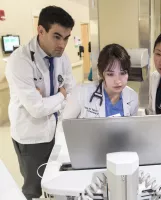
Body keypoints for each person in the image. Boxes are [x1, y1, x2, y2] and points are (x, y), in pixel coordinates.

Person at [5, 6, 75, 199]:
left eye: (66, 38)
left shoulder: (62, 57)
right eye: (57, 36)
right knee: (33, 187)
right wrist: (61, 96)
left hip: (57, 130)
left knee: (56, 180)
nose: (62, 44)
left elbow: (72, 90)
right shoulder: (20, 61)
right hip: (31, 137)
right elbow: (36, 109)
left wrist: (50, 100)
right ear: (41, 31)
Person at [63, 43, 138, 119]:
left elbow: (131, 128)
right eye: (110, 74)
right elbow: (63, 126)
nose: (118, 81)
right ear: (102, 74)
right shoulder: (81, 93)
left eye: (123, 73)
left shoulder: (132, 97)